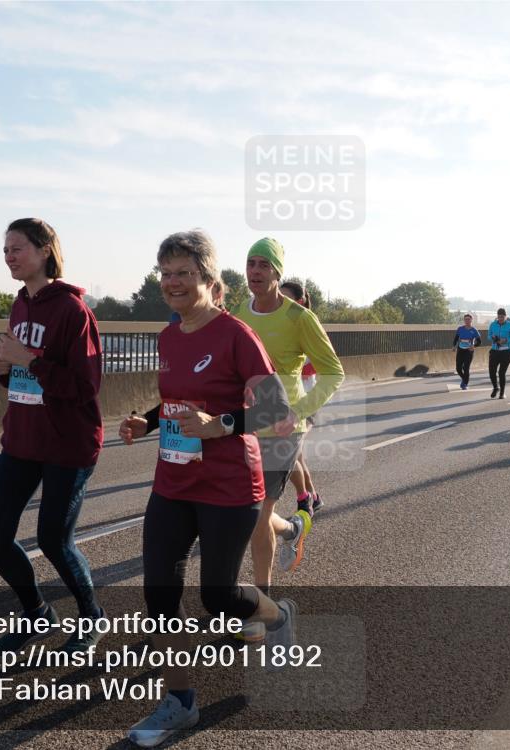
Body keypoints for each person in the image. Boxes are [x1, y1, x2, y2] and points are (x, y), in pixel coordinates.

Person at [118, 230, 297, 747]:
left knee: (219, 597)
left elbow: (276, 412)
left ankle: (277, 616)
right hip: (173, 482)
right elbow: (180, 402)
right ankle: (180, 702)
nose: (172, 282)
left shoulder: (237, 335)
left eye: (184, 273)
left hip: (229, 485)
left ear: (208, 279)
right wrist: (149, 422)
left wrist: (219, 425)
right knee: (160, 596)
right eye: (165, 273)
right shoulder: (168, 336)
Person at [0, 218, 106, 655]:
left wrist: (29, 360)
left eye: (17, 248)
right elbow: (22, 379)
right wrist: (2, 369)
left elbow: (85, 387)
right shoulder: (20, 305)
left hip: (67, 444)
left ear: (44, 250)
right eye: (5, 250)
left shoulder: (73, 311)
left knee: (53, 541)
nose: (9, 257)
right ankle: (36, 613)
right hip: (22, 440)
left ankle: (92, 616)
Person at [234, 238, 344, 602]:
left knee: (257, 512)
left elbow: (333, 373)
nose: (255, 271)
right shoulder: (239, 312)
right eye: (251, 263)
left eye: (264, 265)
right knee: (247, 511)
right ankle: (292, 529)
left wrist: (298, 412)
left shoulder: (300, 318)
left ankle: (262, 603)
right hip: (247, 424)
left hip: (284, 426)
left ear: (278, 273)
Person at [279, 280, 323, 514]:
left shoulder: (308, 324)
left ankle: (305, 498)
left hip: (305, 402)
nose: (279, 301)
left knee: (290, 452)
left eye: (285, 297)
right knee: (297, 454)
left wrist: (291, 363)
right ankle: (312, 496)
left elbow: (317, 365)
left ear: (300, 301)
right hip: (283, 401)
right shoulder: (275, 326)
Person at [487, 308, 510, 399]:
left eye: (502, 317)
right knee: (491, 371)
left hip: (506, 351)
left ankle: (502, 393)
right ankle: (495, 388)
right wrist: (493, 338)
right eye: (499, 317)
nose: (500, 318)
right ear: (497, 316)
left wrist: (506, 340)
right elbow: (488, 335)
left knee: (501, 373)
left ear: (505, 316)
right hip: (495, 350)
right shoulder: (493, 324)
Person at [453, 313, 482, 389]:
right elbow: (456, 338)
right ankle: (464, 378)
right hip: (460, 350)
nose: (467, 321)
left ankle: (465, 384)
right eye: (465, 319)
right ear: (464, 320)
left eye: (468, 319)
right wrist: (454, 346)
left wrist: (473, 346)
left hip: (469, 351)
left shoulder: (474, 330)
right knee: (458, 368)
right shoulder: (460, 329)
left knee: (466, 367)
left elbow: (479, 342)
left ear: (471, 320)